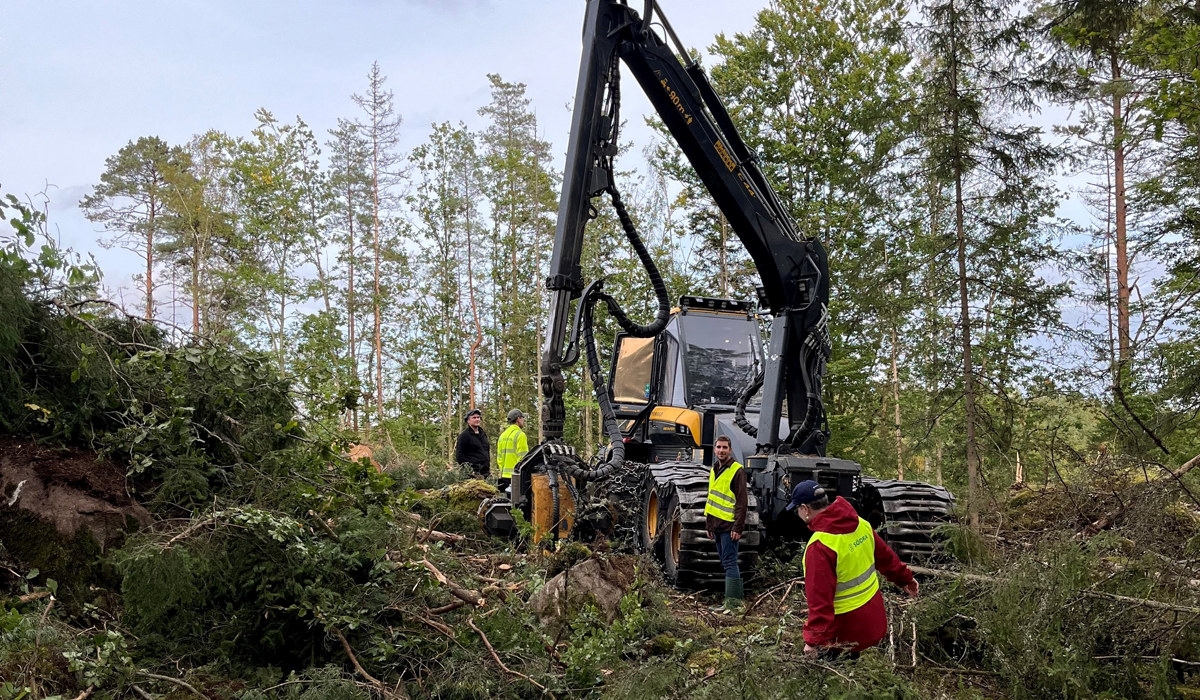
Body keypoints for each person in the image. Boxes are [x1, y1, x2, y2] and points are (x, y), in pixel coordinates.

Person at [786, 480, 920, 658]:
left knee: (831, 675)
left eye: (797, 510)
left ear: (805, 508)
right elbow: (886, 557)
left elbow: (820, 602)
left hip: (843, 632)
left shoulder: (820, 546)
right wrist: (905, 579)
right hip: (872, 622)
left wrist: (813, 642)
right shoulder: (861, 524)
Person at [704, 435, 747, 612]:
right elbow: (711, 498)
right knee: (726, 562)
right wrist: (709, 524)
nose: (721, 451)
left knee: (730, 563)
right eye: (719, 447)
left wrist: (738, 527)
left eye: (725, 448)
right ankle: (732, 602)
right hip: (717, 525)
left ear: (730, 450)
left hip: (729, 526)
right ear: (714, 449)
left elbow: (742, 502)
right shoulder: (714, 469)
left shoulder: (737, 470)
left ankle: (733, 604)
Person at [496, 409, 529, 492]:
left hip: (504, 477)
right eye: (522, 418)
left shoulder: (502, 436)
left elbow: (499, 458)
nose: (523, 420)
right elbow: (524, 458)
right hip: (516, 477)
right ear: (518, 419)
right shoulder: (520, 435)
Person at [454, 408, 490, 478]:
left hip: (485, 472)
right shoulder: (464, 436)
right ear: (468, 421)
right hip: (472, 474)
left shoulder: (483, 434)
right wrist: (469, 470)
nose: (477, 419)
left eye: (478, 417)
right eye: (474, 418)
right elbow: (460, 456)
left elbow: (486, 451)